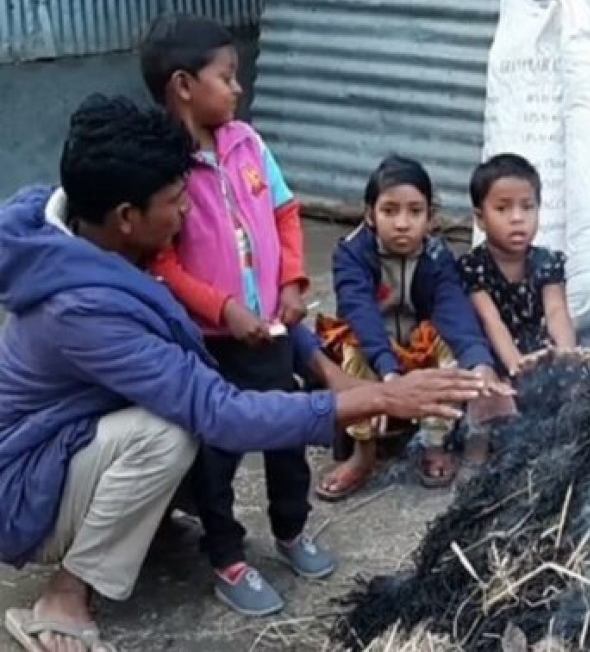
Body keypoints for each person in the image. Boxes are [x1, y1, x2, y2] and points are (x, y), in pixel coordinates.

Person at [0, 95, 494, 652]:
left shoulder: (96, 233)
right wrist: (381, 398)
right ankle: (64, 596)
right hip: (21, 489)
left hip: (72, 439)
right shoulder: (83, 310)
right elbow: (218, 411)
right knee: (173, 432)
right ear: (126, 217)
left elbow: (261, 322)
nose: (188, 213)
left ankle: (143, 530)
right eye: (175, 201)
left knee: (192, 399)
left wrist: (326, 369)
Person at [138, 13, 323, 616]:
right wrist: (223, 308)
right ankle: (227, 556)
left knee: (289, 430)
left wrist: (293, 279)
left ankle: (291, 530)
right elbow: (162, 264)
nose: (238, 88)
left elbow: (287, 213)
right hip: (210, 343)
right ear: (184, 86)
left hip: (267, 330)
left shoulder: (249, 142)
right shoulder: (163, 170)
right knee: (217, 456)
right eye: (228, 76)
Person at [317, 155, 516, 496]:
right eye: (390, 211)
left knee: (452, 349)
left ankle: (433, 441)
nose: (403, 223)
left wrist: (481, 364)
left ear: (430, 216)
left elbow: (453, 310)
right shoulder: (352, 254)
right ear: (369, 215)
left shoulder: (437, 256)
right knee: (353, 349)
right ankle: (364, 454)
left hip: (415, 343)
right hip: (374, 345)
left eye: (414, 211)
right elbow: (359, 311)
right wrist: (389, 372)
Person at [459, 154, 577, 377]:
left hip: (542, 357)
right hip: (498, 361)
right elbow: (491, 320)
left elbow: (556, 310)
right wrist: (517, 365)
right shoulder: (474, 266)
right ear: (480, 218)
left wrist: (566, 353)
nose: (517, 218)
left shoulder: (547, 262)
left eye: (527, 207)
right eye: (503, 209)